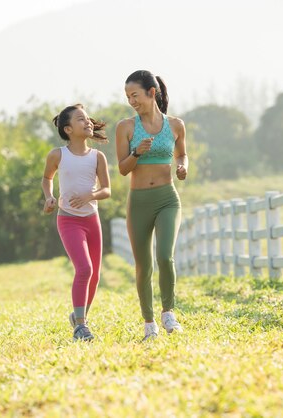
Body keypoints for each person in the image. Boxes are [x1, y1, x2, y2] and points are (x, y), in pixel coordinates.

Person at [115, 70, 188, 341]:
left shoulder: (176, 125)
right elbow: (123, 169)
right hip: (139, 203)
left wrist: (182, 167)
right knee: (143, 265)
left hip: (167, 199)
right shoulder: (126, 127)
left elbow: (182, 154)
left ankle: (169, 313)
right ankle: (149, 324)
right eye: (128, 97)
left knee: (165, 256)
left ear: (152, 92)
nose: (131, 101)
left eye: (135, 95)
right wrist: (136, 152)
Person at [42, 104, 111, 342]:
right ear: (69, 129)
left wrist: (89, 196)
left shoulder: (97, 157)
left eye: (88, 119)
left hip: (92, 220)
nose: (88, 122)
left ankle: (81, 318)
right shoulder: (58, 155)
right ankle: (80, 327)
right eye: (81, 120)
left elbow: (106, 190)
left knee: (95, 276)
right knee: (84, 269)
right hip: (68, 220)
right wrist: (49, 197)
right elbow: (47, 178)